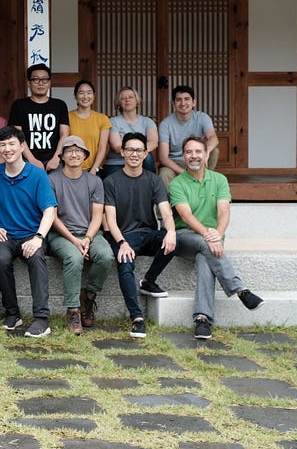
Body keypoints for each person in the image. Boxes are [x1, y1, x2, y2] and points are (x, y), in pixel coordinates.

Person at [160, 136, 263, 339]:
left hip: (212, 239)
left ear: (207, 155)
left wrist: (219, 235)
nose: (194, 156)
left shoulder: (219, 180)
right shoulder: (177, 184)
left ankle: (202, 319)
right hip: (185, 237)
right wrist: (210, 236)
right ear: (183, 156)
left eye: (198, 151)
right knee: (201, 244)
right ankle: (239, 289)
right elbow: (186, 216)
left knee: (204, 257)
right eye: (189, 152)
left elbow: (224, 211)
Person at [0, 126, 56, 338]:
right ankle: (13, 313)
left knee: (36, 258)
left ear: (22, 146)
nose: (7, 149)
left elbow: (49, 211)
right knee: (1, 259)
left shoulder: (37, 175)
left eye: (12, 143)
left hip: (32, 233)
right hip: (5, 235)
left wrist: (39, 238)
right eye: (3, 145)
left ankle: (42, 319)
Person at [102, 132, 177, 338]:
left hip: (148, 234)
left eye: (139, 150)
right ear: (122, 152)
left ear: (145, 154)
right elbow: (110, 220)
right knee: (125, 264)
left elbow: (165, 210)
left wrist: (170, 232)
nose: (134, 154)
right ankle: (137, 318)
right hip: (123, 235)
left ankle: (148, 280)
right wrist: (122, 242)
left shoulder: (154, 180)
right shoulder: (110, 181)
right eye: (130, 150)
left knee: (172, 241)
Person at [46, 136, 114, 333]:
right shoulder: (52, 179)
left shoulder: (94, 181)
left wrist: (87, 239)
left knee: (105, 255)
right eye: (69, 150)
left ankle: (89, 297)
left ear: (85, 155)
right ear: (62, 156)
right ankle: (73, 310)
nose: (74, 154)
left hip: (89, 233)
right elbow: (53, 216)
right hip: (61, 235)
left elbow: (97, 215)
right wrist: (75, 241)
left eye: (78, 151)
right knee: (74, 258)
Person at [9, 64, 70, 171]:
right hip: (26, 160)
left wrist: (56, 158)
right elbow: (17, 134)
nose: (41, 83)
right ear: (29, 83)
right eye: (36, 80)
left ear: (50, 83)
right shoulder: (19, 105)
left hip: (55, 160)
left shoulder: (60, 105)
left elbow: (64, 134)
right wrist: (32, 160)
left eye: (45, 79)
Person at [158, 85, 219, 186]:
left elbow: (213, 138)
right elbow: (163, 158)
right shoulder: (165, 124)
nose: (183, 103)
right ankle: (172, 201)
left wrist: (206, 152)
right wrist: (184, 173)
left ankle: (203, 182)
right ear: (173, 103)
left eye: (187, 99)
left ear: (193, 102)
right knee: (164, 173)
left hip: (196, 157)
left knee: (214, 151)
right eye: (178, 100)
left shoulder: (202, 117)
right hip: (176, 162)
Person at [103, 86, 157, 177]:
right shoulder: (113, 121)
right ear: (119, 102)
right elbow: (116, 147)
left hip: (140, 161)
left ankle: (150, 184)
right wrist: (135, 150)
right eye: (123, 98)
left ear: (137, 100)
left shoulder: (147, 121)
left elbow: (154, 142)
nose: (127, 100)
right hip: (117, 162)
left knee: (148, 157)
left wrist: (137, 152)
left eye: (131, 97)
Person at [68, 80, 110, 175]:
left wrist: (94, 169)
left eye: (89, 93)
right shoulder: (67, 117)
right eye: (81, 93)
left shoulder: (102, 119)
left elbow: (102, 147)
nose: (85, 97)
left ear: (94, 95)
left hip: (93, 169)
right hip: (71, 168)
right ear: (75, 96)